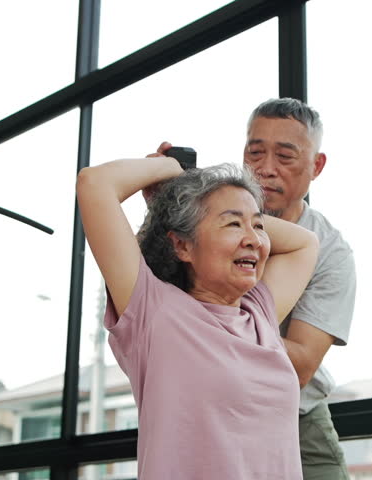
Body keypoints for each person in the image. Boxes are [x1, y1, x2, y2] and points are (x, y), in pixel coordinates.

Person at [76, 156, 319, 479]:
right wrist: (174, 174)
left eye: (258, 225)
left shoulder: (259, 313)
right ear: (182, 245)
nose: (254, 239)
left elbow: (305, 243)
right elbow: (95, 184)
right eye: (233, 224)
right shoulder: (154, 312)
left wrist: (223, 209)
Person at [157, 97, 356, 479]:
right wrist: (164, 205)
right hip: (207, 407)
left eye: (285, 156)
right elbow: (150, 303)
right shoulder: (202, 221)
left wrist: (205, 330)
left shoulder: (329, 250)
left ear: (316, 166)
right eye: (255, 153)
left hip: (298, 418)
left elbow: (300, 365)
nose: (266, 169)